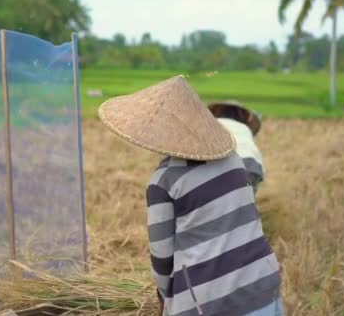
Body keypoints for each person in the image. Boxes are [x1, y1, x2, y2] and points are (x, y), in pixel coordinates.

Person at [98, 76, 283, 316]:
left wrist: (164, 297)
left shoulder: (163, 180)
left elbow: (162, 259)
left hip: (209, 302)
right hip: (263, 285)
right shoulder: (234, 161)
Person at [208, 101, 264, 194]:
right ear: (242, 117)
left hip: (223, 164)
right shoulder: (245, 129)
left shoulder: (213, 125)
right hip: (253, 166)